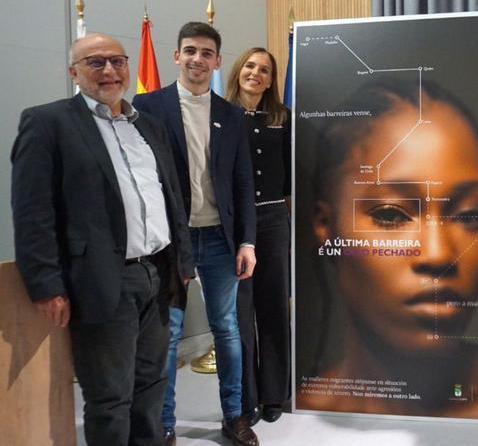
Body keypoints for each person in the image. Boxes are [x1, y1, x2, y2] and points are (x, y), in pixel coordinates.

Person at [296, 77, 478, 421]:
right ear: (325, 226)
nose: (439, 255)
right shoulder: (297, 413)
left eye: (469, 215)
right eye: (391, 215)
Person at [10, 33, 194, 445]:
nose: (109, 71)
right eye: (95, 63)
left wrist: (183, 263)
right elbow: (32, 212)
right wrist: (46, 284)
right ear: (73, 72)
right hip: (103, 280)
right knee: (110, 395)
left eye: (117, 61)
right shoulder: (48, 123)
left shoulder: (149, 125)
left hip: (158, 274)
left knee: (151, 385)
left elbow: (173, 198)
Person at [133, 22, 258, 446]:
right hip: (172, 241)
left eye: (207, 53)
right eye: (190, 51)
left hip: (221, 240)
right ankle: (164, 425)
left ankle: (234, 417)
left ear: (218, 61)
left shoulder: (232, 114)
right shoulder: (147, 106)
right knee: (168, 335)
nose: (198, 60)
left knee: (227, 328)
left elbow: (243, 184)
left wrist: (248, 241)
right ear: (176, 55)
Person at [226, 47, 292, 424]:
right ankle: (246, 398)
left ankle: (273, 396)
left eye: (264, 70)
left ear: (271, 79)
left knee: (273, 308)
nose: (256, 73)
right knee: (239, 313)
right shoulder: (221, 115)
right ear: (238, 71)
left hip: (272, 220)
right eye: (250, 66)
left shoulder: (282, 118)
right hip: (234, 224)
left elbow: (290, 175)